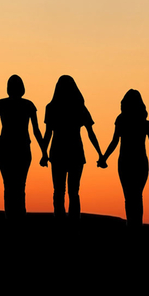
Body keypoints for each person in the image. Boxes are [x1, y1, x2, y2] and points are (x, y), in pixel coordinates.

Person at [99, 89, 149, 232]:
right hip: (141, 163)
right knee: (137, 196)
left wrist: (104, 158)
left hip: (125, 162)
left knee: (129, 197)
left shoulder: (122, 120)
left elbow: (114, 142)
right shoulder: (145, 124)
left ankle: (131, 226)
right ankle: (137, 226)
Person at [0, 75, 43, 222]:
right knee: (20, 186)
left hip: (6, 147)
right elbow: (36, 131)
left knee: (9, 185)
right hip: (21, 148)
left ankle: (11, 218)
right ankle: (19, 218)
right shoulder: (28, 105)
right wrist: (44, 152)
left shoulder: (2, 104)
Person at [40, 75, 102, 221]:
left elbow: (47, 134)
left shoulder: (52, 108)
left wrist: (43, 154)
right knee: (74, 191)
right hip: (75, 152)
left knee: (59, 191)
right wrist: (100, 154)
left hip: (58, 153)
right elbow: (90, 133)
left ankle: (59, 221)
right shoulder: (79, 108)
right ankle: (74, 223)